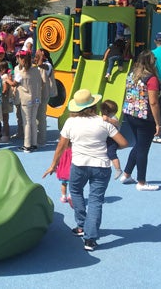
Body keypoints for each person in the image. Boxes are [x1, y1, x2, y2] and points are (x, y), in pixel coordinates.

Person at [43, 89, 128, 252]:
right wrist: (109, 146)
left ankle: (81, 225)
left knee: (75, 191)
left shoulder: (70, 122)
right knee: (96, 200)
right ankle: (90, 238)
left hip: (79, 165)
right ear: (94, 105)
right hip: (101, 166)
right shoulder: (105, 122)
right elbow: (123, 143)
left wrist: (54, 164)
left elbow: (61, 145)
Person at [120, 50, 161, 191]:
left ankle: (126, 174)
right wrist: (158, 123)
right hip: (145, 117)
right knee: (143, 149)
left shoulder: (132, 75)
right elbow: (153, 102)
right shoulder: (151, 79)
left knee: (139, 145)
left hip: (130, 113)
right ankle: (142, 182)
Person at [14, 50, 42, 152]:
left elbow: (14, 84)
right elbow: (41, 82)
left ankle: (27, 145)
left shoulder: (20, 73)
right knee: (33, 121)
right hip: (36, 98)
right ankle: (34, 143)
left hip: (26, 99)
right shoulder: (36, 70)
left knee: (27, 122)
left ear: (21, 59)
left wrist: (6, 80)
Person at [34, 49, 55, 146]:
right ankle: (37, 136)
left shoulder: (47, 65)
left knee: (41, 115)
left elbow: (41, 66)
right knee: (37, 115)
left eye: (39, 52)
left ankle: (42, 138)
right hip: (37, 92)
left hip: (43, 93)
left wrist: (40, 58)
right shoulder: (37, 64)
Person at [100, 99, 124, 180]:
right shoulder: (104, 117)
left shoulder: (113, 117)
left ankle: (118, 169)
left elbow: (117, 123)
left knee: (112, 154)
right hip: (106, 138)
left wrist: (108, 120)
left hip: (113, 139)